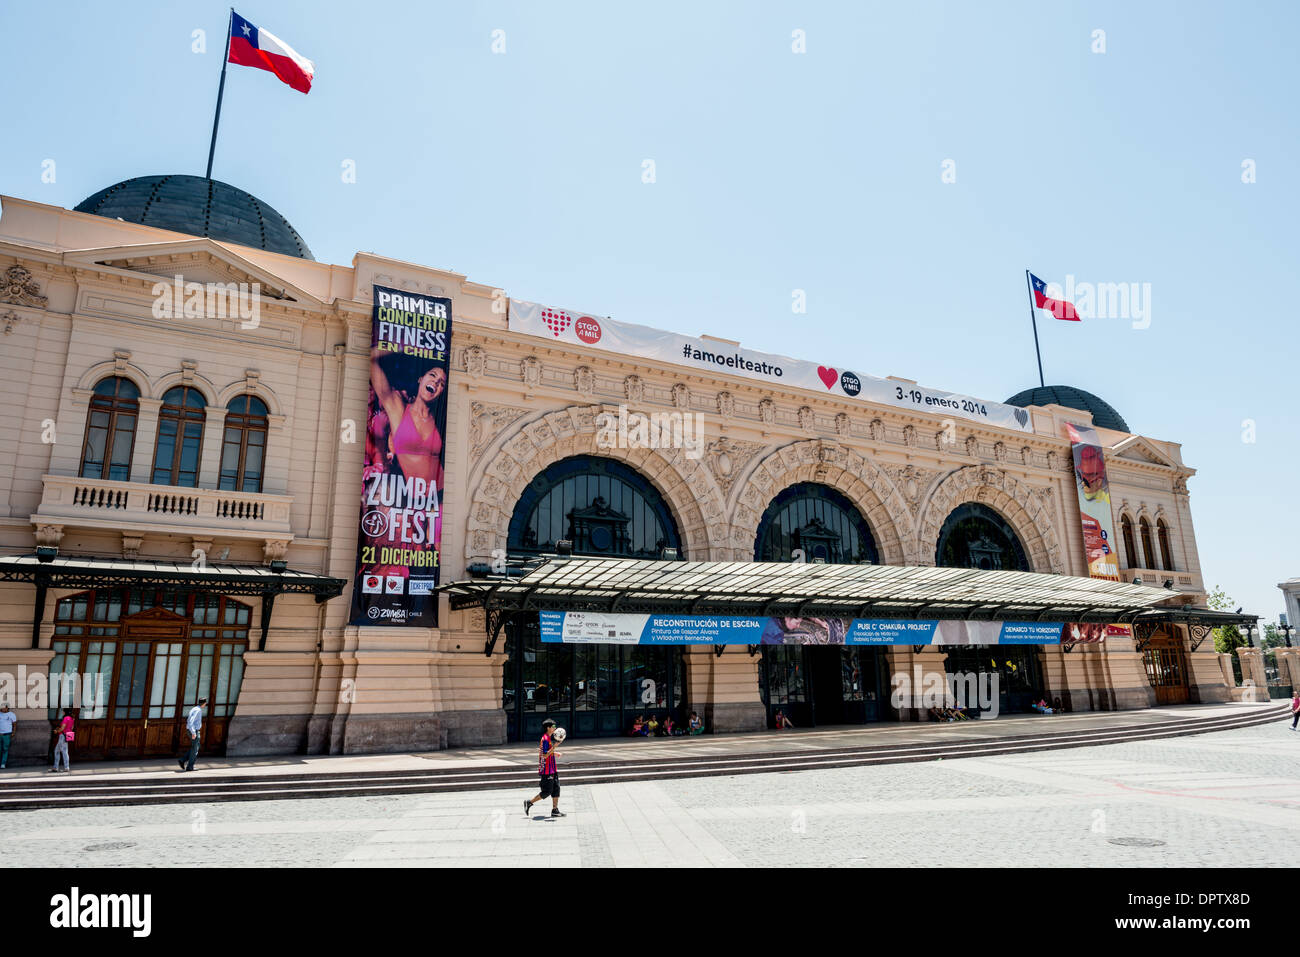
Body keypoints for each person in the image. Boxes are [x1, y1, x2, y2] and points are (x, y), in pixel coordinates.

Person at [524, 718, 565, 818]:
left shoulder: (548, 738)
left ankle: (555, 810)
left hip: (552, 769)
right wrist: (555, 746)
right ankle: (529, 802)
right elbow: (545, 755)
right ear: (548, 728)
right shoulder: (545, 739)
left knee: (556, 789)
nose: (555, 728)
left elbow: (545, 752)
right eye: (554, 727)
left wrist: (555, 753)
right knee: (547, 791)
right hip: (547, 770)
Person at [179, 697, 206, 772]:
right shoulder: (198, 710)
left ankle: (183, 760)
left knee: (195, 747)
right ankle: (190, 766)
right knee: (195, 749)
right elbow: (191, 721)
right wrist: (193, 733)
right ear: (204, 703)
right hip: (194, 731)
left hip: (192, 730)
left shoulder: (195, 709)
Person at [0, 702, 15, 769]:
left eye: (3, 708)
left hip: (7, 735)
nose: (2, 709)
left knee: (5, 749)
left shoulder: (12, 715)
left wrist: (13, 732)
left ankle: (3, 763)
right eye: (1, 708)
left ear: (7, 708)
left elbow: (14, 724)